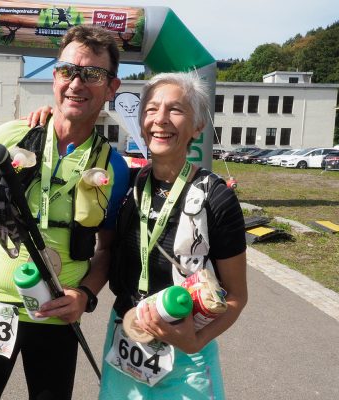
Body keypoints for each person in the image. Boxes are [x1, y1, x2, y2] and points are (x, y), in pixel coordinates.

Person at [0, 25, 129, 400]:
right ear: (55, 77)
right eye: (68, 70)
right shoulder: (8, 137)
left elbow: (106, 251)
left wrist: (84, 295)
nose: (77, 83)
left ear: (112, 87)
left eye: (93, 74)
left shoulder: (116, 167)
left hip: (56, 315)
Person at [99, 72, 248, 399]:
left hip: (186, 351)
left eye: (176, 110)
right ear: (141, 123)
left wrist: (196, 341)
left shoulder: (216, 197)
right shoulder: (128, 186)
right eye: (152, 109)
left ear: (198, 127)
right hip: (127, 340)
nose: (161, 119)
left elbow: (236, 296)